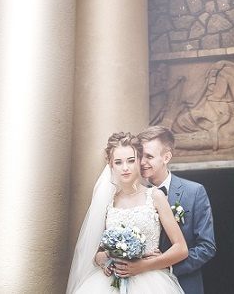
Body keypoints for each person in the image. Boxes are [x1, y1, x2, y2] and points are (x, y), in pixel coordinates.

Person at [67, 132, 189, 294]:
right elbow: (96, 253)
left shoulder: (155, 196)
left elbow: (181, 248)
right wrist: (102, 259)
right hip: (108, 283)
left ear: (139, 161)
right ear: (111, 166)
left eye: (131, 161)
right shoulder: (108, 202)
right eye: (118, 162)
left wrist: (143, 265)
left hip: (150, 282)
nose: (125, 168)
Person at [135, 126, 216, 294]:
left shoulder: (194, 192)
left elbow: (206, 246)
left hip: (182, 284)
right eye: (140, 155)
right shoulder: (132, 195)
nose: (142, 162)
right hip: (138, 284)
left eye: (149, 156)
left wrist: (165, 266)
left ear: (166, 157)